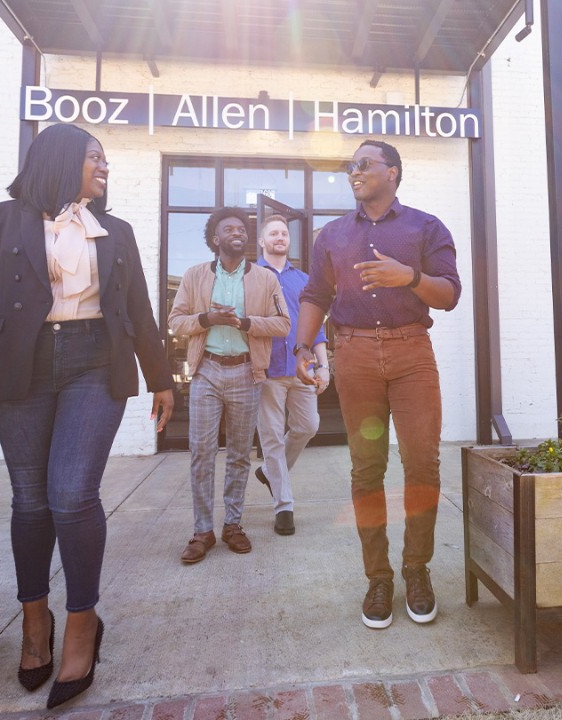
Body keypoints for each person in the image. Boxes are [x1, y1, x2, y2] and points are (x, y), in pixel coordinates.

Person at [0, 124, 174, 710]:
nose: (104, 167)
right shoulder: (1, 221)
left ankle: (82, 621)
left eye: (106, 160)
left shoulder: (116, 231)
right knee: (31, 498)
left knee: (71, 493)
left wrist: (161, 379)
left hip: (95, 363)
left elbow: (138, 309)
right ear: (61, 160)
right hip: (22, 364)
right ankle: (36, 621)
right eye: (95, 158)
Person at [294, 140, 460, 629]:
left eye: (364, 164)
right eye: (350, 166)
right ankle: (379, 577)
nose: (354, 171)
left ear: (393, 172)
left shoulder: (425, 227)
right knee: (367, 468)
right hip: (355, 356)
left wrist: (408, 277)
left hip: (412, 355)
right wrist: (303, 349)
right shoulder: (333, 234)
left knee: (422, 464)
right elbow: (316, 294)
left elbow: (449, 294)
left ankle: (417, 568)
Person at [168, 207, 290, 564]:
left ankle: (232, 525)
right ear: (215, 239)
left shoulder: (266, 279)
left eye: (242, 228)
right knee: (201, 452)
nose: (237, 231)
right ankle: (202, 530)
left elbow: (282, 324)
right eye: (228, 228)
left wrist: (245, 323)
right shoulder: (194, 276)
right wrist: (208, 319)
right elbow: (176, 321)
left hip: (245, 373)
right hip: (207, 372)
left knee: (239, 454)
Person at [254, 214, 328, 536]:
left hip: (302, 367)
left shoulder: (304, 279)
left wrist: (324, 365)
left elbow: (317, 325)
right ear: (262, 241)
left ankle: (270, 473)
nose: (280, 237)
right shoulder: (251, 276)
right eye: (273, 233)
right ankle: (284, 507)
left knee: (308, 425)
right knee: (271, 437)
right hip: (267, 368)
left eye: (284, 233)